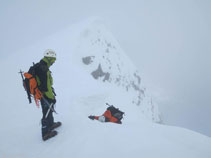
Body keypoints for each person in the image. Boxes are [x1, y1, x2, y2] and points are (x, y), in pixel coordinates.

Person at [35, 49, 61, 141]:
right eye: (53, 59)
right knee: (46, 113)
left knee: (49, 110)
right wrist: (52, 97)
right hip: (44, 94)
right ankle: (45, 134)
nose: (54, 62)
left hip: (43, 93)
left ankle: (51, 125)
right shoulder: (43, 69)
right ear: (49, 58)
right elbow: (46, 87)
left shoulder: (42, 66)